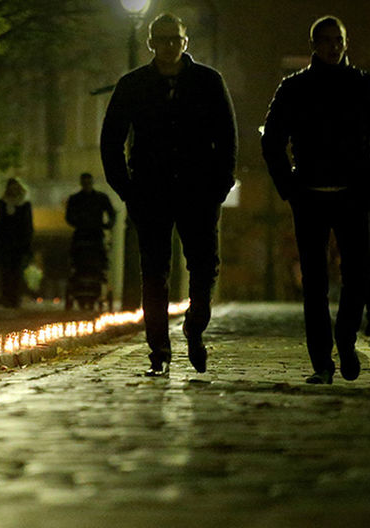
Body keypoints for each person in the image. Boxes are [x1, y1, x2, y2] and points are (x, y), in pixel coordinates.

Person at [261, 15, 370, 384]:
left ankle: (346, 339)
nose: (333, 46)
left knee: (357, 276)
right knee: (315, 284)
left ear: (345, 43)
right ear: (314, 45)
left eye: (338, 40)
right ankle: (322, 360)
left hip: (353, 195)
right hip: (310, 196)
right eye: (325, 40)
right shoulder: (294, 88)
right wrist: (289, 187)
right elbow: (271, 141)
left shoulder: (365, 85)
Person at [101, 12, 237, 377]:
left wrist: (220, 184)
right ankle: (158, 349)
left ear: (185, 41)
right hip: (150, 190)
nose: (170, 46)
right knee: (154, 271)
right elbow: (111, 138)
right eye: (162, 39)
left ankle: (195, 326)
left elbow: (227, 137)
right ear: (151, 43)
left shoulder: (209, 82)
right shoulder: (133, 85)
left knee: (204, 266)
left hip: (199, 191)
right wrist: (126, 187)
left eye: (175, 39)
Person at [65, 173, 116, 308]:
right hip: (82, 234)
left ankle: (97, 274)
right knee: (78, 256)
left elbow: (112, 213)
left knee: (99, 255)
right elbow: (69, 216)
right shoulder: (75, 199)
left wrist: (108, 224)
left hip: (95, 234)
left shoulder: (100, 198)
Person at [0, 178, 33, 308]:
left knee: (16, 272)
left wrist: (27, 243)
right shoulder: (3, 203)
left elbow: (28, 225)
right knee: (6, 272)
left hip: (19, 244)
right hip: (5, 244)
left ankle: (14, 298)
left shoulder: (25, 204)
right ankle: (7, 297)